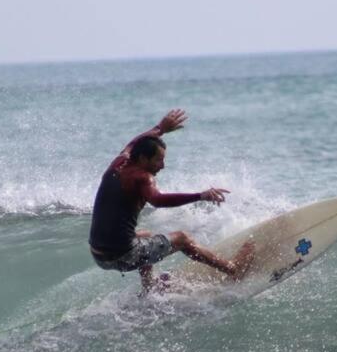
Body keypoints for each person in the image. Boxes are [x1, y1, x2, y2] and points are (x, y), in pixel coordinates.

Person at [88, 109, 253, 292]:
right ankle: (234, 269)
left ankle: (149, 287)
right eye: (158, 160)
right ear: (143, 158)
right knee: (182, 239)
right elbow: (157, 200)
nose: (163, 166)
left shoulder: (119, 163)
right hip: (124, 256)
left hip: (99, 255)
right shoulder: (143, 177)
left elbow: (133, 143)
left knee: (146, 236)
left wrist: (160, 128)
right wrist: (200, 195)